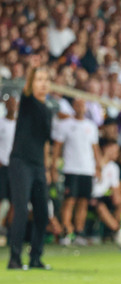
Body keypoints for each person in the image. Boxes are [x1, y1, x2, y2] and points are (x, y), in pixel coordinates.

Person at [7, 55, 53, 270]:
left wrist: (47, 167)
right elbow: (26, 88)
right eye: (39, 79)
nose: (43, 83)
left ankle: (36, 257)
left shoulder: (48, 109)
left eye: (46, 79)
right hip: (20, 162)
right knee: (22, 210)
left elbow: (44, 141)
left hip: (37, 165)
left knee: (43, 212)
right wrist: (31, 69)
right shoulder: (27, 101)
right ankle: (14, 258)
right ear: (32, 82)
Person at [51, 98, 100, 246]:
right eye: (77, 104)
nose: (80, 107)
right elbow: (57, 147)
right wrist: (53, 167)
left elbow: (95, 148)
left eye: (82, 105)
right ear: (73, 107)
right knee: (69, 201)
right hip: (71, 168)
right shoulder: (65, 125)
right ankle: (66, 232)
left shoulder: (91, 126)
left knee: (83, 202)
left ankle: (79, 232)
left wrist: (98, 167)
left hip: (87, 169)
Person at [0, 96, 17, 231]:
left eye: (14, 104)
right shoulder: (1, 123)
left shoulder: (20, 125)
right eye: (9, 104)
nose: (12, 107)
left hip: (16, 167)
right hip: (2, 166)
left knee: (14, 200)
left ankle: (10, 230)